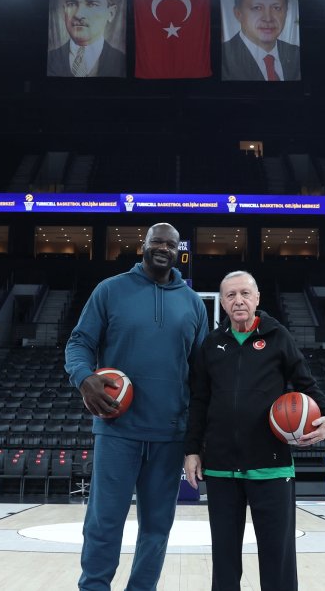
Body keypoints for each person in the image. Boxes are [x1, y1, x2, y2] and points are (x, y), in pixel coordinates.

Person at [65, 222, 208, 591]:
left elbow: (202, 375)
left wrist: (197, 437)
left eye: (171, 244)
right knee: (103, 521)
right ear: (142, 245)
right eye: (156, 241)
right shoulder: (110, 290)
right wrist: (84, 378)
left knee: (158, 527)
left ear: (179, 251)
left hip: (169, 433)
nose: (163, 248)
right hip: (117, 428)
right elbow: (79, 342)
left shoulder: (192, 303)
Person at [184, 271, 325, 591]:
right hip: (222, 467)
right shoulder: (211, 345)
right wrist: (192, 449)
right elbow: (199, 401)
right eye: (230, 295)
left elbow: (306, 383)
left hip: (272, 464)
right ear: (222, 303)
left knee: (277, 557)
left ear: (257, 298)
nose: (238, 300)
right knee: (224, 559)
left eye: (244, 294)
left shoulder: (278, 337)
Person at [222, 0, 301, 81]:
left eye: (276, 8)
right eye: (257, 8)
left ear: (286, 12)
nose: (268, 18)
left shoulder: (296, 54)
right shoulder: (224, 57)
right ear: (238, 14)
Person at [48, 0, 127, 78]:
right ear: (64, 11)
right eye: (72, 4)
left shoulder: (120, 60)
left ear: (111, 13)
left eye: (92, 4)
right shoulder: (51, 58)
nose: (79, 14)